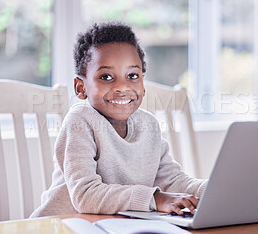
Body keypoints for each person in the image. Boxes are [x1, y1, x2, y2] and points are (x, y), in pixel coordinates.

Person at [30, 21, 207, 218]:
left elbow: (173, 181)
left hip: (112, 226)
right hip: (60, 226)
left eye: (132, 75)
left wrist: (213, 190)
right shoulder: (80, 122)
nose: (122, 87)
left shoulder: (149, 125)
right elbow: (86, 195)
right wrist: (155, 199)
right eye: (106, 77)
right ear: (81, 88)